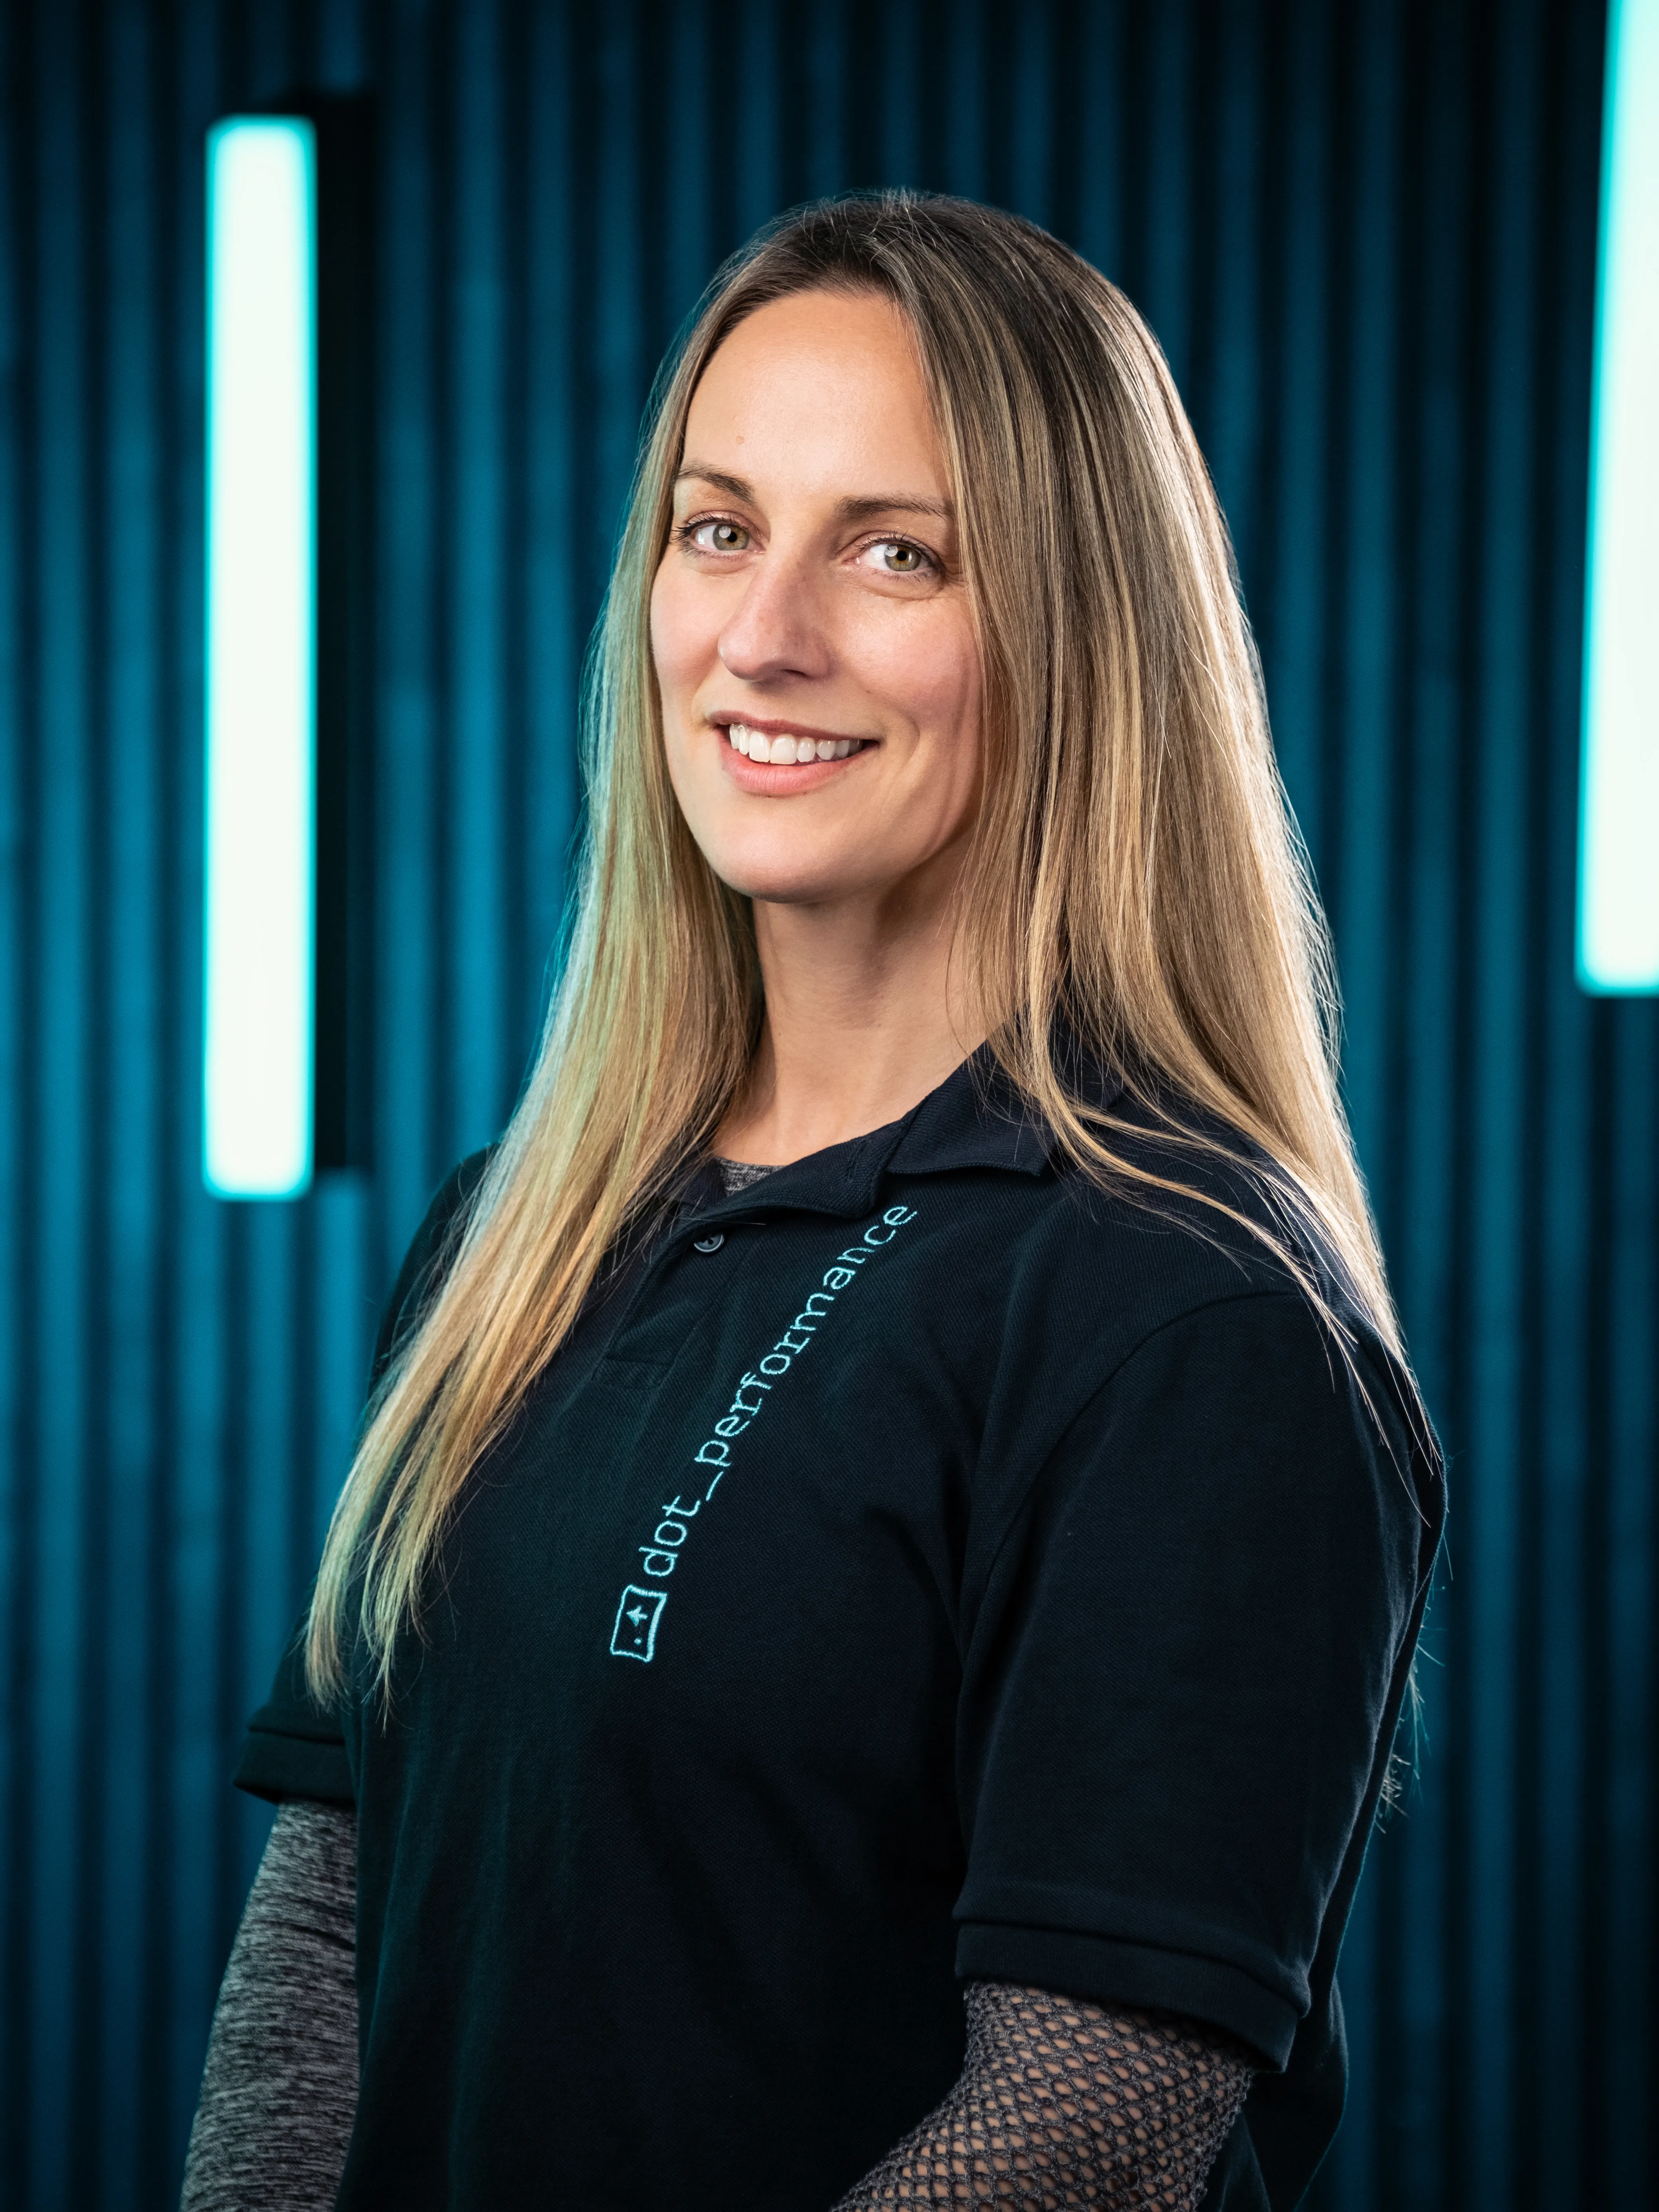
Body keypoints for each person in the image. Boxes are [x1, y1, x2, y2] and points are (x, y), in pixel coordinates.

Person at [181, 193, 1442, 2212]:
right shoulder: (514, 1234)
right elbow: (330, 1928)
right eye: (715, 526)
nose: (762, 637)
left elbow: (1084, 2128)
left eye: (891, 552)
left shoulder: (1188, 1321)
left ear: (1075, 631)